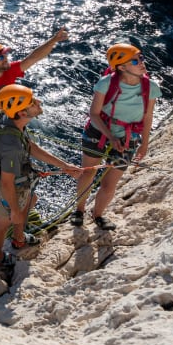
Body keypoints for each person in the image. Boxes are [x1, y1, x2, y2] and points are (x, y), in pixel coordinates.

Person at [0, 84, 82, 267]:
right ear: (22, 113)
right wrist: (14, 210)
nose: (38, 102)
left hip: (18, 180)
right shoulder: (11, 146)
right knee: (1, 224)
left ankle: (19, 238)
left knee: (30, 200)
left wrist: (64, 166)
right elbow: (7, 184)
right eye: (32, 102)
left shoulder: (13, 123)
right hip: (10, 185)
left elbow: (31, 147)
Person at [70, 43, 160, 230]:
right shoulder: (106, 83)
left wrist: (144, 144)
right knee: (88, 172)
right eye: (135, 60)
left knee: (110, 182)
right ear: (122, 67)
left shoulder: (150, 87)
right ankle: (79, 210)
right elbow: (94, 114)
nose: (142, 62)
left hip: (128, 138)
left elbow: (148, 116)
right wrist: (110, 136)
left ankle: (98, 215)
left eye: (141, 57)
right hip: (99, 131)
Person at [0, 27, 69, 113]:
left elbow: (33, 58)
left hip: (13, 115)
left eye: (6, 55)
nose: (6, 59)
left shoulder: (9, 69)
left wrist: (53, 40)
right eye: (1, 57)